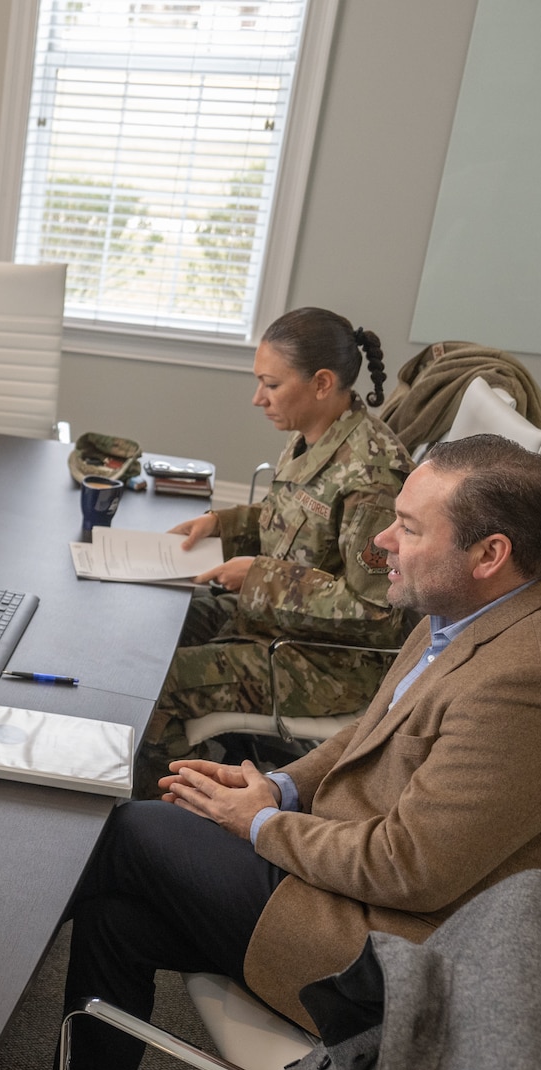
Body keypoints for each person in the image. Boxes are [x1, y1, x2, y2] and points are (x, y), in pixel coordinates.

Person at [51, 436, 541, 1070]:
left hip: (403, 962)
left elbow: (408, 867)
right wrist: (281, 785)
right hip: (350, 893)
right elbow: (368, 730)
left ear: (489, 554)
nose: (382, 541)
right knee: (114, 915)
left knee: (131, 831)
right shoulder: (469, 609)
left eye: (408, 527)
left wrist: (258, 824)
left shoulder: (533, 686)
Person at [139, 307, 414, 789]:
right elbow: (289, 518)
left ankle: (178, 804)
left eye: (270, 384)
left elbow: (375, 608)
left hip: (325, 663)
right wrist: (221, 524)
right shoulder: (314, 434)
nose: (257, 399)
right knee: (149, 628)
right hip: (271, 622)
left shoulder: (372, 478)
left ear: (322, 383)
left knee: (157, 684)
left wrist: (260, 577)